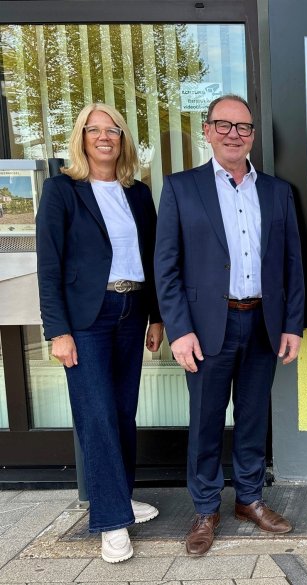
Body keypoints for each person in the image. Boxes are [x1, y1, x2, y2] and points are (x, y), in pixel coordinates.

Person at [155, 94, 305, 555]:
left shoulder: (278, 192)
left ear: (253, 135)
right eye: (223, 125)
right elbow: (167, 266)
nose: (233, 134)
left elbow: (292, 265)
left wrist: (292, 325)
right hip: (205, 329)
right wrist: (179, 330)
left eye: (242, 127)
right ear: (207, 131)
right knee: (204, 421)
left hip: (262, 322)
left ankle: (249, 499)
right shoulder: (182, 188)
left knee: (253, 417)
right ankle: (204, 508)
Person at [36, 103, 163, 563]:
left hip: (131, 310)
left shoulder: (138, 194)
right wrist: (58, 331)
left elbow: (150, 260)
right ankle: (111, 521)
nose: (105, 137)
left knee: (122, 411)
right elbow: (48, 268)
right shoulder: (62, 191)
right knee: (97, 414)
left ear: (124, 139)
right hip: (86, 319)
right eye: (96, 130)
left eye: (114, 131)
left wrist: (156, 317)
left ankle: (119, 498)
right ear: (82, 137)